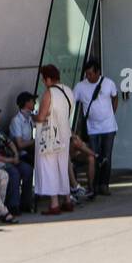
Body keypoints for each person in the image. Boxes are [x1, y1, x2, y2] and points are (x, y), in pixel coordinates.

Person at [73, 58, 118, 196]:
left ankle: (104, 185)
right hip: (92, 128)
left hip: (109, 127)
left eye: (91, 73)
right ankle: (94, 185)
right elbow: (72, 102)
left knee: (107, 156)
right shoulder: (80, 86)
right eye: (87, 74)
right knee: (94, 155)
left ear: (98, 72)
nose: (89, 76)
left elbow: (115, 97)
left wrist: (112, 113)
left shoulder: (108, 83)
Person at [34, 64, 75, 214]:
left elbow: (41, 117)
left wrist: (33, 117)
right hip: (65, 134)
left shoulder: (49, 93)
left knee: (49, 167)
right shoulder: (68, 91)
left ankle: (54, 204)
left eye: (44, 80)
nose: (44, 83)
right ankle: (68, 200)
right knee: (62, 167)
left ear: (49, 79)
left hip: (50, 136)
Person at [9, 92, 36, 173]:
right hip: (19, 154)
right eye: (32, 101)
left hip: (28, 151)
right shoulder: (16, 120)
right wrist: (35, 141)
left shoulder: (29, 118)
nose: (34, 103)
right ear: (27, 103)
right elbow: (20, 145)